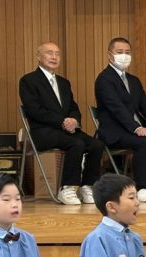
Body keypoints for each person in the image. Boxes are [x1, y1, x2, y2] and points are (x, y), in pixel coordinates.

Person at [94, 37, 146, 203]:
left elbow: (145, 105)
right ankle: (141, 187)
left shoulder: (133, 80)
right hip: (115, 132)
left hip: (134, 131)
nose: (124, 56)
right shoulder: (104, 79)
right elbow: (116, 108)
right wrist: (136, 128)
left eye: (127, 52)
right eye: (119, 52)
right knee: (144, 141)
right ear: (109, 55)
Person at [20, 42, 104, 205]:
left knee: (97, 144)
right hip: (43, 132)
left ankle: (87, 186)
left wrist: (74, 120)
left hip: (66, 131)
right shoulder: (28, 80)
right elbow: (34, 110)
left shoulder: (64, 82)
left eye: (57, 54)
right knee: (76, 143)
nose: (54, 57)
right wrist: (62, 121)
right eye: (49, 53)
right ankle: (67, 188)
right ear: (38, 56)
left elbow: (73, 107)